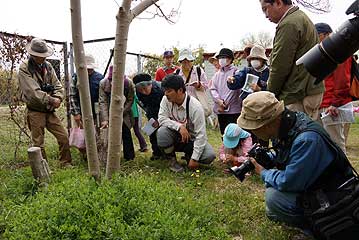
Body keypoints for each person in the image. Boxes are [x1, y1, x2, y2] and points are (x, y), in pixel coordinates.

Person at [236, 91, 355, 232]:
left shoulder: (306, 139)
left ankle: (316, 225)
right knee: (273, 205)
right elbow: (289, 157)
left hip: (336, 194)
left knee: (273, 198)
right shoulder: (288, 124)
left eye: (254, 129)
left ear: (266, 125)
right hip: (317, 185)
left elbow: (289, 182)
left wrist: (263, 172)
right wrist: (269, 158)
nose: (253, 133)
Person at [259, 0, 324, 120]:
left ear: (278, 3)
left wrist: (269, 96)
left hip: (297, 94)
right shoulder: (300, 17)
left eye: (265, 9)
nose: (266, 15)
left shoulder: (289, 24)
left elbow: (280, 67)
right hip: (308, 89)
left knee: (297, 135)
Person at [18, 38, 72, 167]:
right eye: (40, 56)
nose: (43, 58)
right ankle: (42, 168)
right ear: (33, 54)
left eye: (44, 55)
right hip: (35, 111)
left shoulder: (48, 66)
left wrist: (58, 97)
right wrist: (51, 99)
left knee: (63, 137)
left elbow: (58, 85)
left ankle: (66, 163)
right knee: (38, 143)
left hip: (49, 110)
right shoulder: (24, 68)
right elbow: (33, 92)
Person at [157, 74, 216, 173]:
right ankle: (172, 161)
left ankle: (190, 155)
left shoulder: (195, 107)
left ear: (180, 90)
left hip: (192, 140)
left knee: (209, 156)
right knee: (162, 132)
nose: (166, 94)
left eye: (169, 91)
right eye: (165, 91)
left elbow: (201, 135)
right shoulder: (165, 100)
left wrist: (195, 159)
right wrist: (179, 127)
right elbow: (161, 119)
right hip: (176, 137)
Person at [315, 23, 353, 154]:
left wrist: (335, 103)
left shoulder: (339, 49)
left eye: (317, 35)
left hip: (331, 106)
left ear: (325, 34)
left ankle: (344, 174)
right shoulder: (325, 51)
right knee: (323, 144)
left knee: (336, 144)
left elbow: (342, 79)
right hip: (322, 103)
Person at [99, 66, 135, 160]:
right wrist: (106, 119)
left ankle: (129, 157)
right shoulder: (103, 84)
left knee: (126, 132)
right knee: (111, 134)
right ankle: (111, 156)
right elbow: (103, 102)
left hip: (124, 112)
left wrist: (121, 112)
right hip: (109, 112)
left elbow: (130, 99)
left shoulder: (128, 83)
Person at [133, 73, 164, 160]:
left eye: (145, 89)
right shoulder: (139, 93)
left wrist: (159, 119)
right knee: (151, 131)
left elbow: (167, 106)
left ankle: (167, 153)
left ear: (150, 84)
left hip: (164, 112)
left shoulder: (161, 89)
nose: (143, 92)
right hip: (151, 112)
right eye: (140, 90)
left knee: (163, 132)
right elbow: (145, 106)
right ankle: (157, 153)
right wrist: (151, 118)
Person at [210, 48, 241, 134]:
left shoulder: (236, 72)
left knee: (234, 135)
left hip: (234, 110)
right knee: (223, 134)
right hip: (220, 110)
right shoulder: (217, 74)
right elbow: (212, 89)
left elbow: (234, 90)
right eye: (220, 58)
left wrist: (224, 103)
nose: (221, 60)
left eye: (224, 57)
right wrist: (219, 101)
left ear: (230, 59)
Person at [70, 54, 104, 127]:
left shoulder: (99, 77)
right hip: (80, 113)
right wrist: (76, 113)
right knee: (80, 136)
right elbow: (72, 96)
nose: (89, 70)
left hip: (96, 112)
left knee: (96, 135)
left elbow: (103, 97)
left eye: (90, 68)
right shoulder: (76, 77)